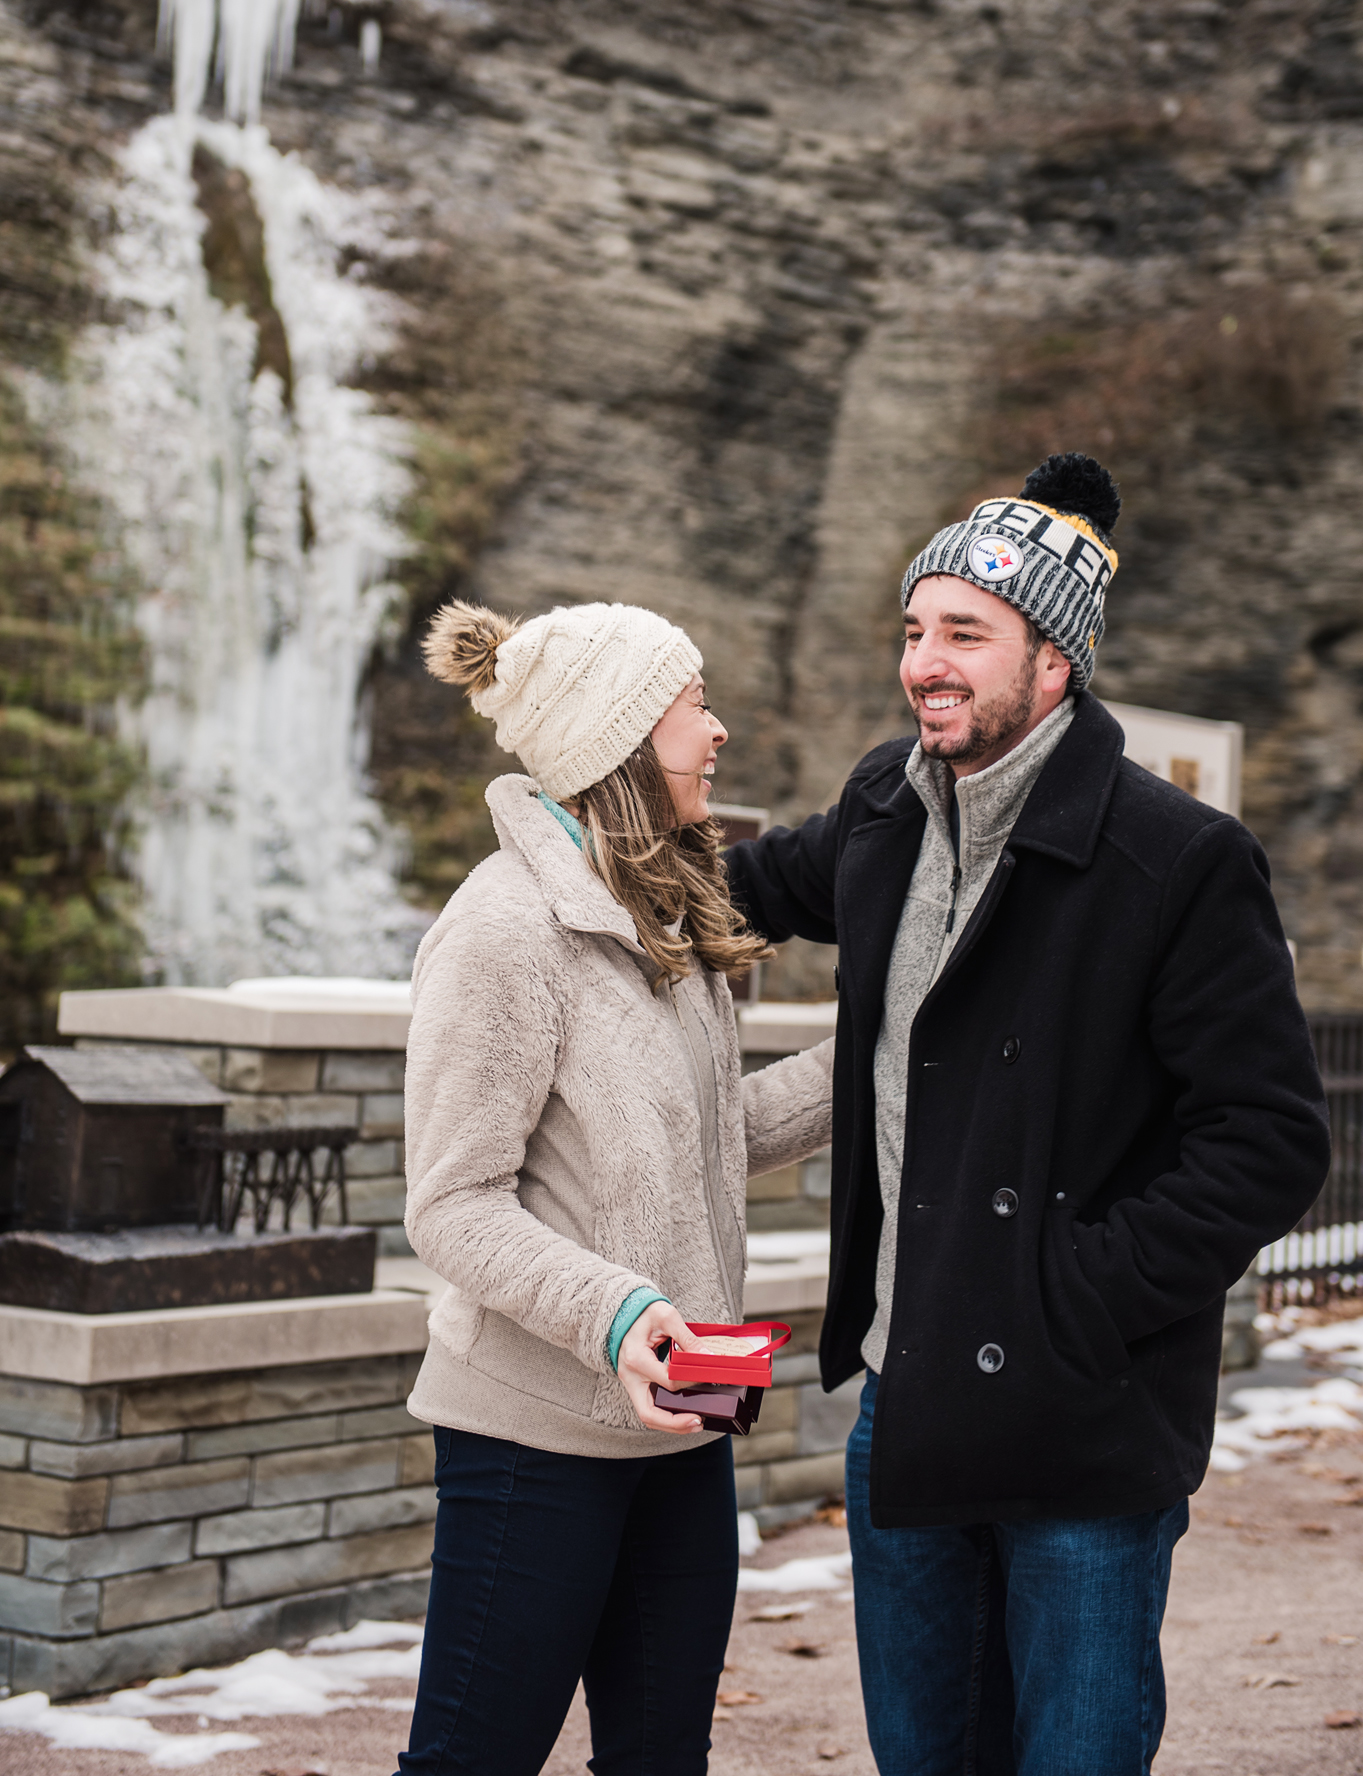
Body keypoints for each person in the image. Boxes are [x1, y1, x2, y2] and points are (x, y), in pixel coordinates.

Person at [724, 453, 1331, 1776]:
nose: (921, 663)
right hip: (906, 1390)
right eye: (911, 630)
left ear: (1051, 663)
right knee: (925, 1757)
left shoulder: (1173, 860)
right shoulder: (886, 810)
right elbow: (744, 887)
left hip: (1080, 1413)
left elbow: (1270, 1136)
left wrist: (1076, 1295)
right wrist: (566, 861)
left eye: (961, 634)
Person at [395, 597, 834, 1776]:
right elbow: (450, 1201)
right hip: (534, 1438)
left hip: (686, 1421)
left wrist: (877, 1053)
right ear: (623, 737)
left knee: (660, 1758)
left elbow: (706, 1131)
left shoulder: (663, 922)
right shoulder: (504, 931)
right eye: (694, 706)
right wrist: (619, 1311)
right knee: (470, 1760)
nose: (719, 730)